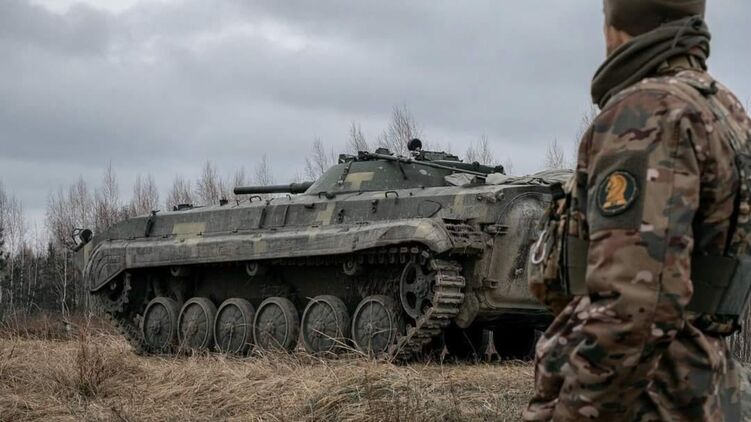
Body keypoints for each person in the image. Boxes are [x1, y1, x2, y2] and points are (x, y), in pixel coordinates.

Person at [524, 1, 751, 420]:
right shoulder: (722, 108)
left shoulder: (647, 113)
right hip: (701, 384)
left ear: (615, 23)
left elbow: (634, 306)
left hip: (646, 397)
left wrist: (576, 409)